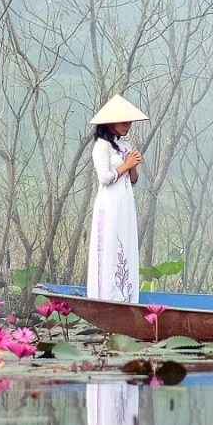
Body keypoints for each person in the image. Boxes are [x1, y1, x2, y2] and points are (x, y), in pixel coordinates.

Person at [86, 95, 148, 304]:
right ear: (109, 122)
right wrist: (126, 164)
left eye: (129, 122)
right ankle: (106, 297)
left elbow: (133, 180)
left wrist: (133, 165)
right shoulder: (101, 146)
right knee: (110, 247)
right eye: (123, 121)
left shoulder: (125, 145)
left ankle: (126, 297)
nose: (127, 125)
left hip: (125, 204)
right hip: (110, 205)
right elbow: (105, 177)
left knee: (126, 244)